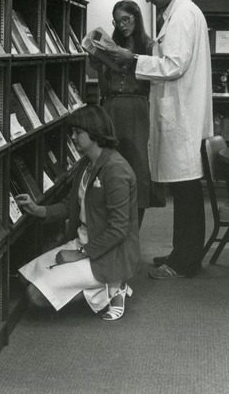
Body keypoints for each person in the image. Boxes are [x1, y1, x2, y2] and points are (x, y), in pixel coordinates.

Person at [108, 0, 213, 280]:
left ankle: (185, 262)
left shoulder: (183, 16)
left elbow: (174, 66)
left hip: (182, 117)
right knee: (184, 194)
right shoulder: (182, 13)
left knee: (187, 195)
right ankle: (181, 253)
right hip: (181, 114)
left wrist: (134, 59)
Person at [16, 104, 139, 321]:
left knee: (35, 296)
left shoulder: (116, 169)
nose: (72, 136)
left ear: (95, 132)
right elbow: (70, 205)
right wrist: (38, 209)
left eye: (77, 132)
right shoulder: (87, 163)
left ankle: (112, 287)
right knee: (24, 278)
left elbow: (119, 231)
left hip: (109, 253)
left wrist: (79, 254)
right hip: (84, 241)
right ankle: (100, 287)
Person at [89, 0, 158, 227]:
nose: (121, 25)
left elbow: (154, 80)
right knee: (110, 165)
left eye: (125, 19)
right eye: (117, 21)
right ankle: (110, 228)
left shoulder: (148, 46)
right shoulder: (111, 45)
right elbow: (106, 85)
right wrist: (98, 65)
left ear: (136, 17)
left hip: (136, 109)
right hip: (111, 108)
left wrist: (133, 60)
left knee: (136, 167)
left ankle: (133, 233)